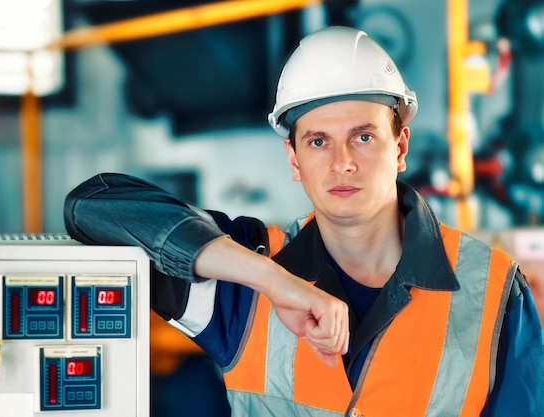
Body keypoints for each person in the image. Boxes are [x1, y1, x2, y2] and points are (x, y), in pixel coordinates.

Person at [64, 26, 544, 417]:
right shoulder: (240, 280)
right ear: (293, 160)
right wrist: (272, 279)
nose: (341, 163)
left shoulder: (496, 291)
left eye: (363, 137)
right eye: (317, 141)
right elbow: (92, 206)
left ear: (399, 148)